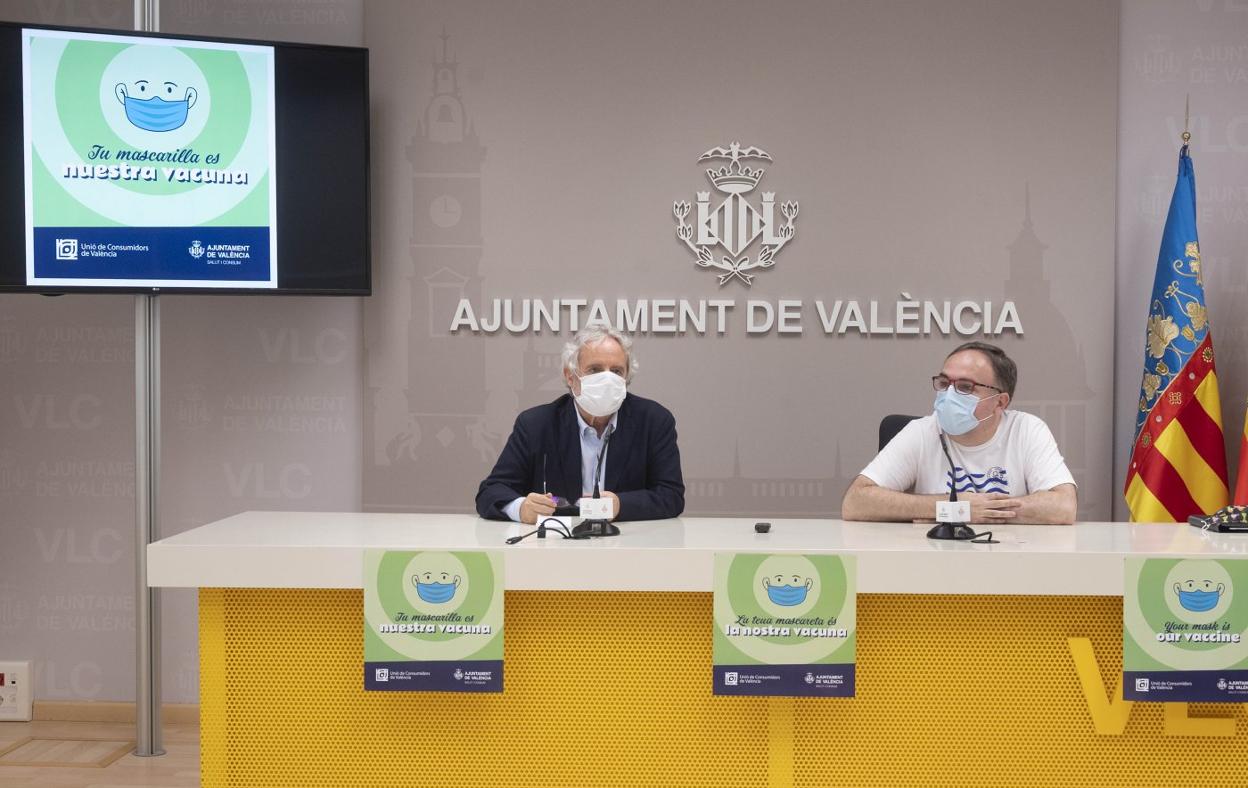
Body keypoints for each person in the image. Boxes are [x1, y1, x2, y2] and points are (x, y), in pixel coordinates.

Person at [841, 341, 1077, 525]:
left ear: (1000, 402)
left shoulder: (1026, 429)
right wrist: (953, 508)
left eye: (965, 387)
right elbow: (855, 502)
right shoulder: (922, 432)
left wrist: (975, 512)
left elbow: (1063, 506)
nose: (949, 395)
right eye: (944, 383)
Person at [476, 325, 685, 523]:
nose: (607, 379)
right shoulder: (536, 425)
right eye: (595, 370)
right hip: (557, 548)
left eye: (616, 371)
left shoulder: (654, 421)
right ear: (570, 376)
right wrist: (521, 509)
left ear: (627, 377)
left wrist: (620, 505)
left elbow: (671, 496)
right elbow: (491, 492)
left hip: (626, 547)